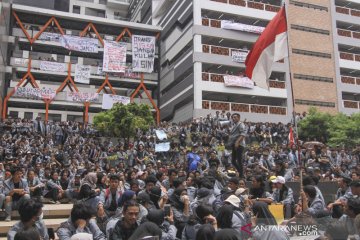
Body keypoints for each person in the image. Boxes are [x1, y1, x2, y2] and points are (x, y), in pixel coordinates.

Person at [227, 113, 246, 178]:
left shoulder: (241, 124)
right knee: (233, 161)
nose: (233, 118)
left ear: (239, 118)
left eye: (235, 117)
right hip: (234, 144)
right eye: (233, 117)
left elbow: (243, 134)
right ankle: (241, 173)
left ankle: (242, 175)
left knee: (239, 160)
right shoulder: (234, 125)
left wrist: (237, 142)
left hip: (239, 144)